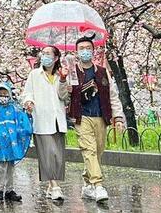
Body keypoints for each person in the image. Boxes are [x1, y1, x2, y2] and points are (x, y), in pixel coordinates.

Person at [69, 36, 125, 202]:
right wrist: (65, 82)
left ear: (93, 51)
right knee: (89, 150)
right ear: (76, 52)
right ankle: (98, 185)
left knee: (98, 152)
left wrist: (118, 117)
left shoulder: (102, 71)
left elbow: (112, 95)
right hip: (82, 117)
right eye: (82, 48)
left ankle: (87, 183)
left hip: (101, 116)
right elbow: (65, 95)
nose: (85, 51)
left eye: (88, 48)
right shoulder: (72, 72)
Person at [22, 45, 70, 202]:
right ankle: (55, 186)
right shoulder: (35, 74)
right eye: (43, 53)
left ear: (56, 58)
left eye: (49, 54)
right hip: (42, 119)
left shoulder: (60, 74)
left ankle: (50, 187)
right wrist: (29, 102)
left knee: (57, 155)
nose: (45, 56)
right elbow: (28, 92)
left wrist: (63, 80)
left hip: (58, 119)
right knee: (47, 154)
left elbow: (64, 97)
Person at [0, 81, 32, 203]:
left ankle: (9, 190)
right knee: (1, 167)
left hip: (11, 144)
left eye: (5, 94)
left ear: (9, 95)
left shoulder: (15, 109)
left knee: (10, 167)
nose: (3, 97)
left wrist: (26, 127)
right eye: (0, 94)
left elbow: (22, 122)